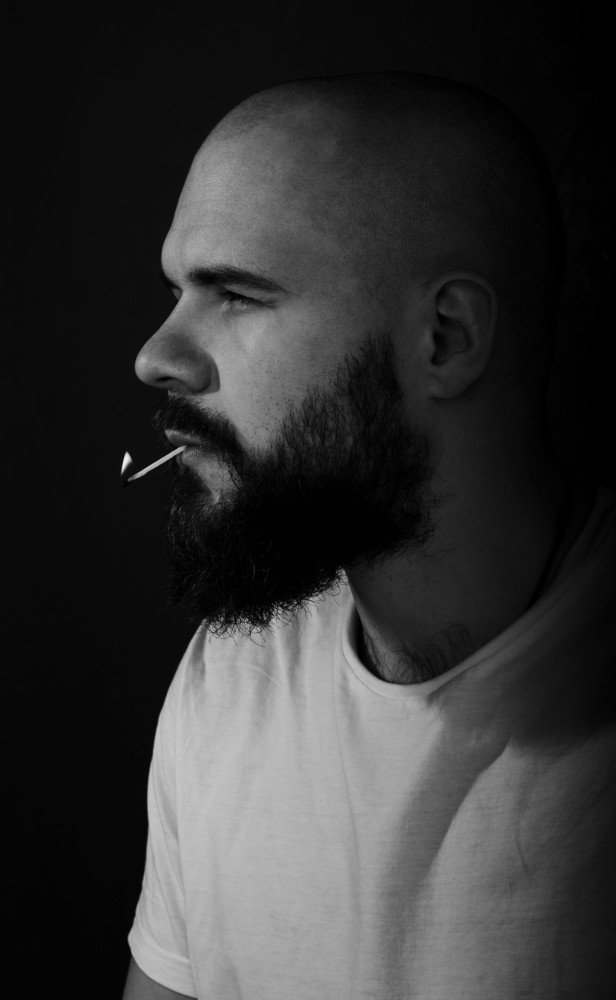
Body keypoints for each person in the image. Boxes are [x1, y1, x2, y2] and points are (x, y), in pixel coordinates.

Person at [121, 71, 616, 1000]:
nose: (157, 356)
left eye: (236, 293)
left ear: (445, 338)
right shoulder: (233, 680)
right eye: (178, 290)